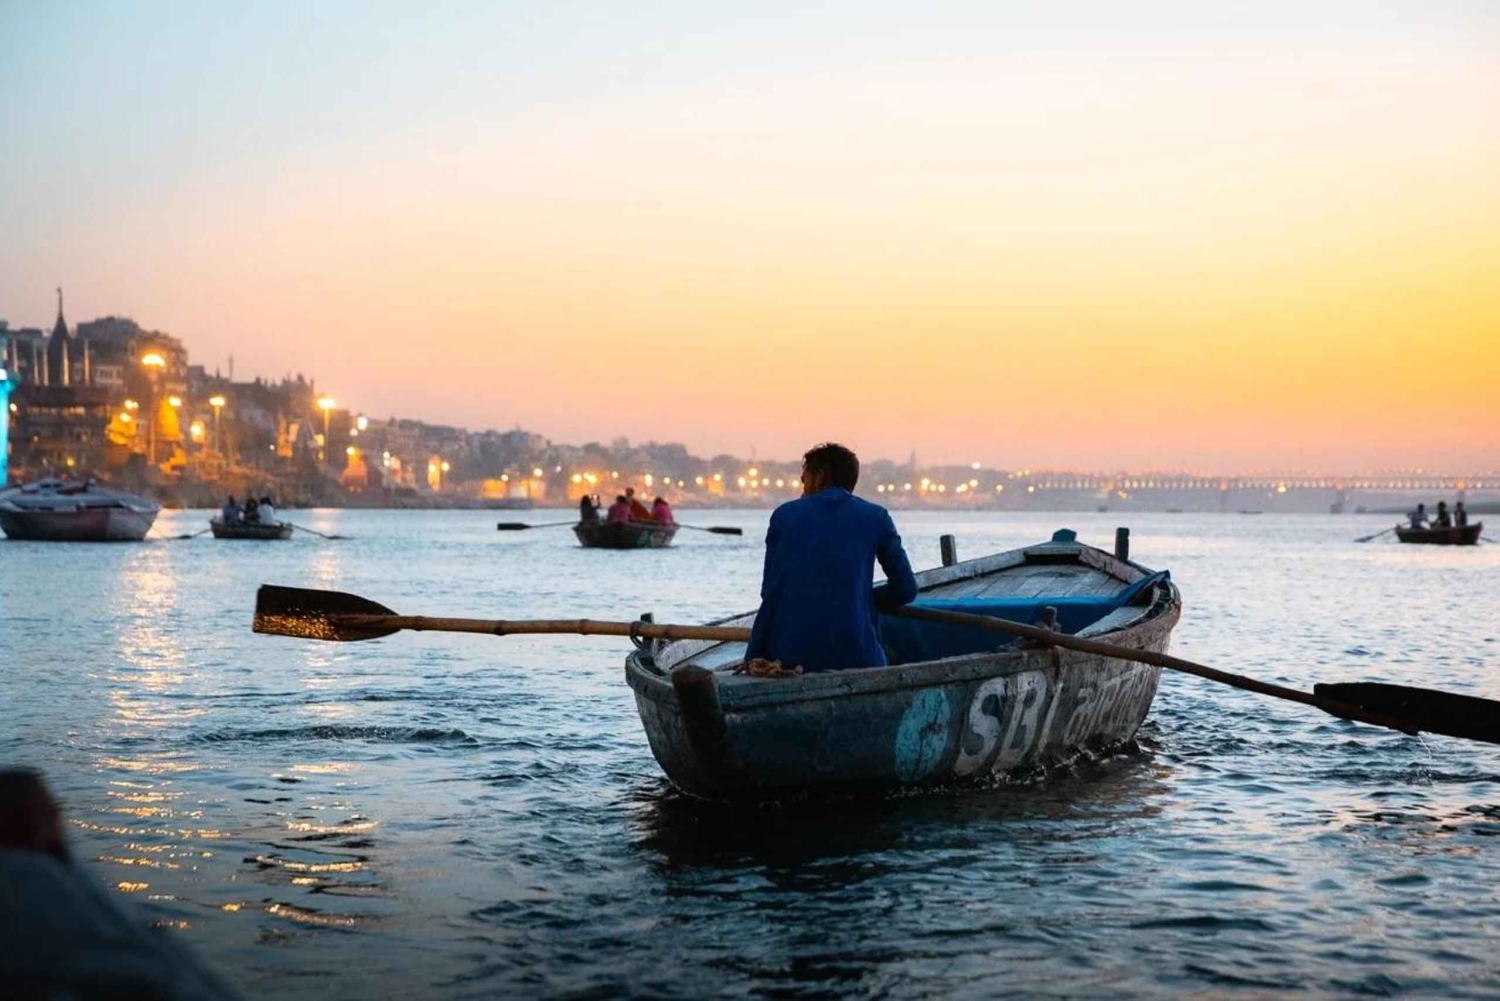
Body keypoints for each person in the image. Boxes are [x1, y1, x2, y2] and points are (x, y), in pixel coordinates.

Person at [746, 442, 918, 673]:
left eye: (804, 480)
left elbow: (770, 590)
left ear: (820, 476)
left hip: (788, 657)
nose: (802, 489)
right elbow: (906, 589)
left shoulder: (784, 515)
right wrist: (861, 598)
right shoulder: (876, 517)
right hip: (857, 655)